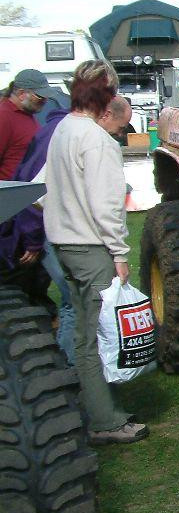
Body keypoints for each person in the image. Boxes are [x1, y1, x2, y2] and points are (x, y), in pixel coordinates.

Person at [46, 61, 148, 444]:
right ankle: (105, 421)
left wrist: (64, 218)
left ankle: (100, 408)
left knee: (86, 333)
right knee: (98, 335)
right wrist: (120, 254)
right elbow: (107, 206)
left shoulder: (62, 129)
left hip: (64, 245)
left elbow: (41, 188)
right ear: (104, 92)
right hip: (89, 247)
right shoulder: (94, 138)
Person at [0, 102, 77, 362]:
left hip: (32, 222)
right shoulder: (60, 134)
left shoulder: (43, 126)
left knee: (45, 294)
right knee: (71, 298)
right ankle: (67, 363)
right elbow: (36, 196)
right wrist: (32, 242)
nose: (41, 102)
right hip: (29, 222)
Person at [0, 69, 61, 179]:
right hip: (10, 190)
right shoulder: (4, 115)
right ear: (21, 94)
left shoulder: (27, 113)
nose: (45, 100)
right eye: (40, 96)